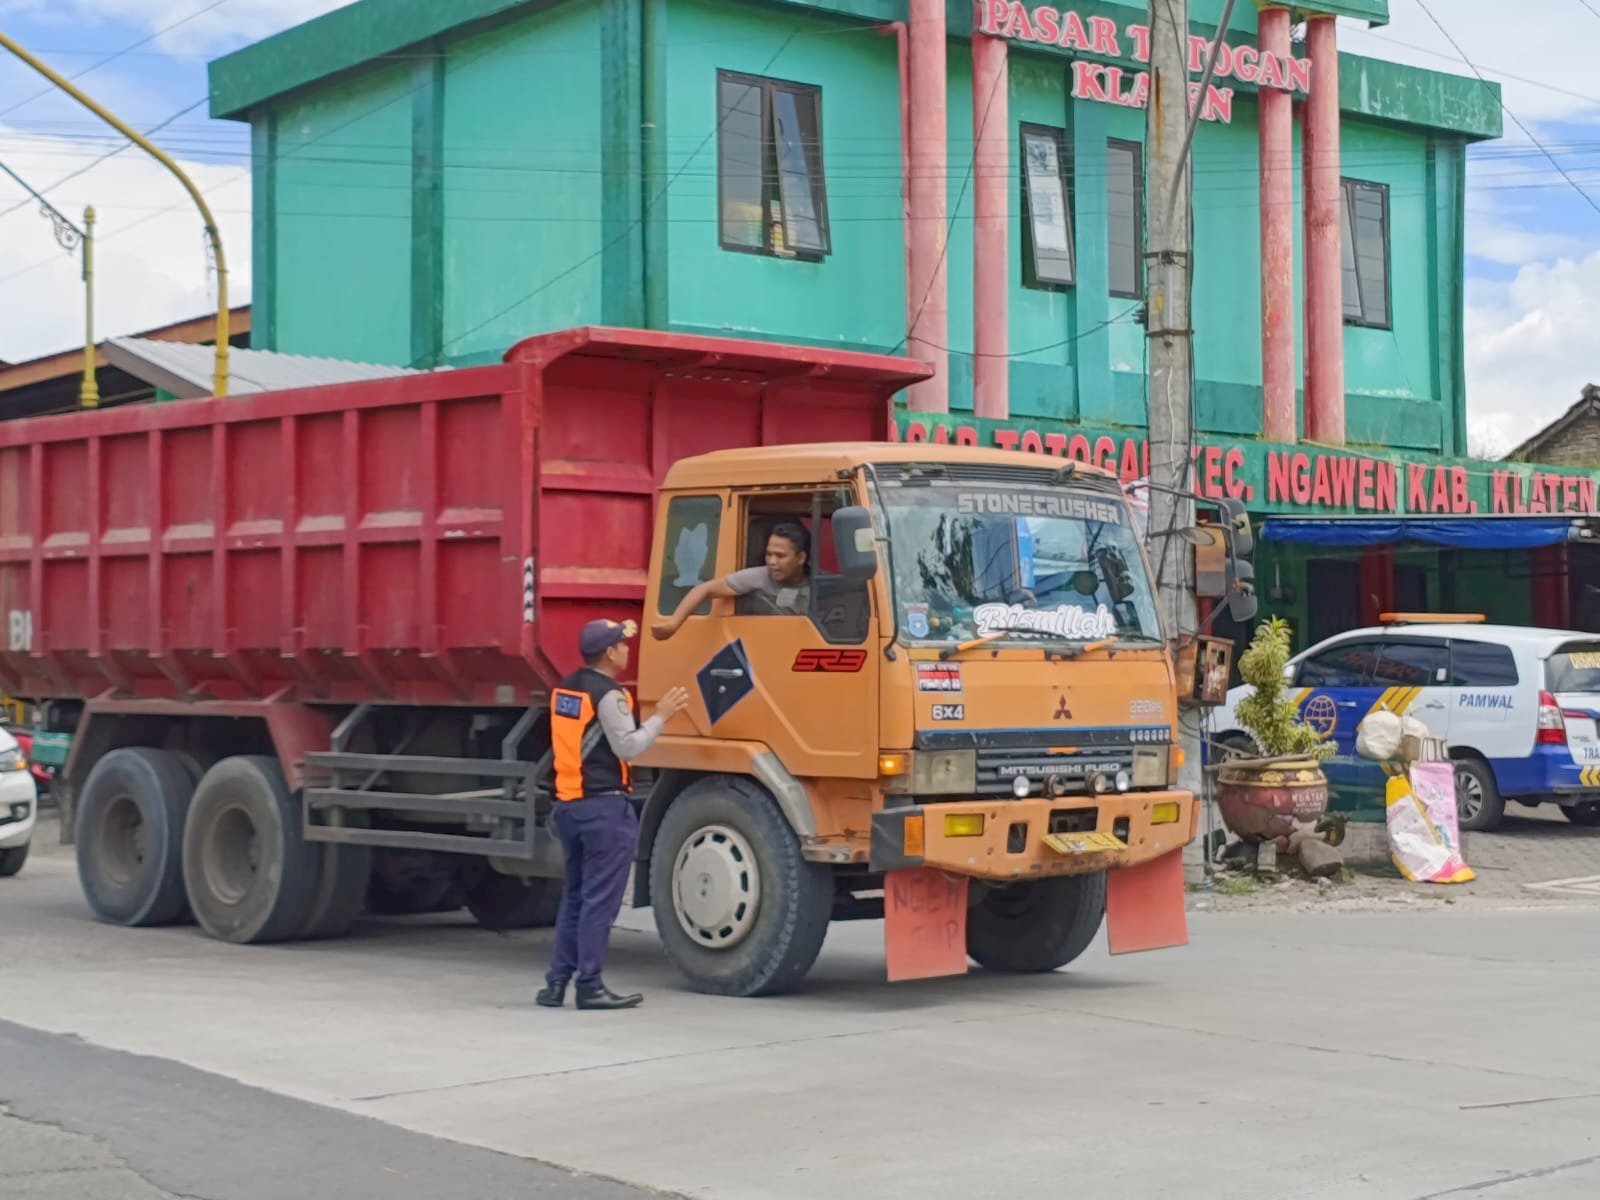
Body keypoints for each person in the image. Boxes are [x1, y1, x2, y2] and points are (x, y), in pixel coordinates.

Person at [536, 618, 689, 1011]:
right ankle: (590, 985)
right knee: (599, 902)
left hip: (568, 804)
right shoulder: (610, 695)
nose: (627, 650)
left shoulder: (565, 689)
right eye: (622, 645)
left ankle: (556, 984)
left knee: (574, 898)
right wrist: (662, 716)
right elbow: (629, 747)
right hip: (603, 807)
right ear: (609, 652)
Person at [652, 522, 810, 640]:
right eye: (769, 554)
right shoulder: (758, 577)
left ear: (801, 558)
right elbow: (704, 589)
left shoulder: (820, 583)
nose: (772, 562)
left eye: (780, 556)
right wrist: (672, 624)